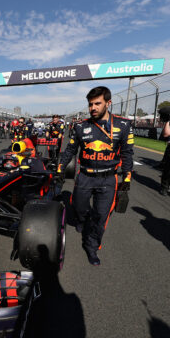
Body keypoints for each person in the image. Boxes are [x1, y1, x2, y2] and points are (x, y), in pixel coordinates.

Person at [58, 86, 134, 266]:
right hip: (85, 176)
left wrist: (128, 177)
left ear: (108, 103)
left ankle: (92, 246)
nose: (93, 107)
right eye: (90, 104)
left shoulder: (123, 125)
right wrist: (60, 167)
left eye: (97, 104)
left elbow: (127, 153)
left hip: (109, 179)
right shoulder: (80, 126)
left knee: (101, 216)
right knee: (79, 208)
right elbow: (70, 150)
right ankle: (82, 221)